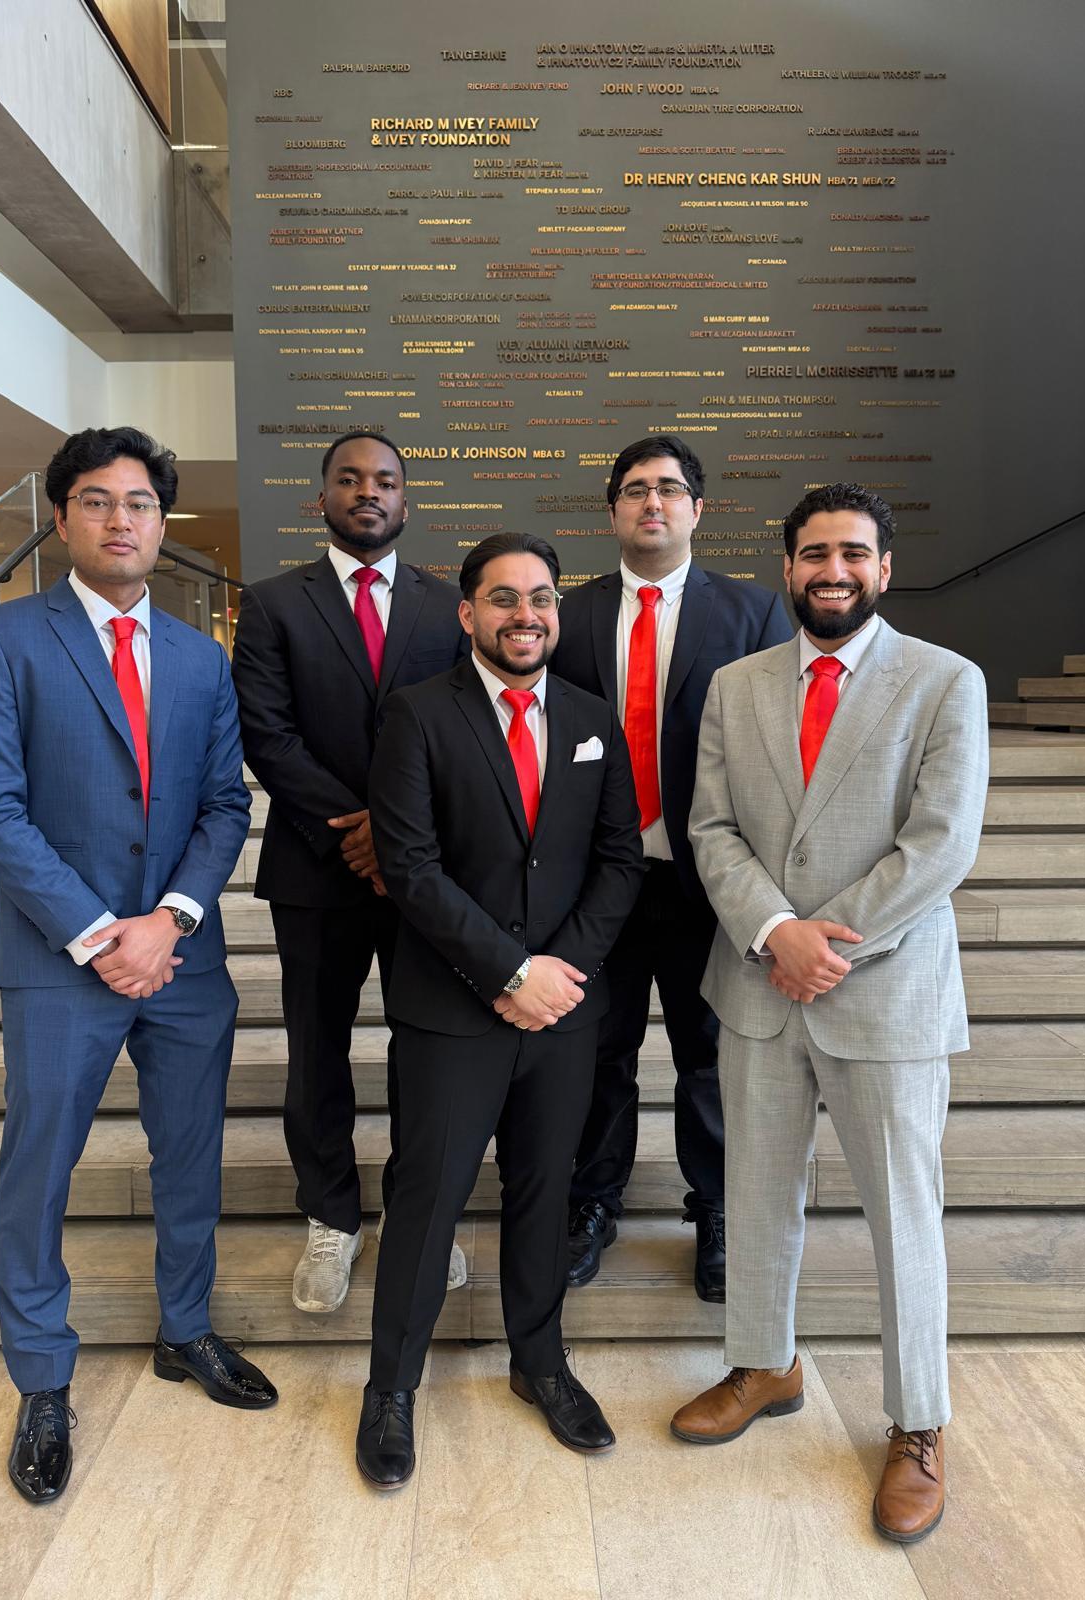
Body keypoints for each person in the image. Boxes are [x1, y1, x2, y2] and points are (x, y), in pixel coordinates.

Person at [0, 427, 274, 1506]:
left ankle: (187, 1329)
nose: (121, 519)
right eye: (97, 501)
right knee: (37, 1168)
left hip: (181, 959)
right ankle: (42, 1376)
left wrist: (170, 920)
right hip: (56, 959)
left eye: (140, 503)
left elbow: (227, 803)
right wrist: (100, 931)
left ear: (162, 524)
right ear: (62, 518)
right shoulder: (3, 643)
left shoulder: (199, 656)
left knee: (188, 1159)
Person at [671, 483, 988, 1543]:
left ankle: (918, 1424)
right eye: (813, 553)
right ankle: (765, 1363)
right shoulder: (736, 685)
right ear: (788, 566)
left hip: (885, 989)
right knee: (756, 1194)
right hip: (761, 985)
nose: (833, 570)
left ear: (884, 569)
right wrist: (775, 932)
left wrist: (826, 938)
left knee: (904, 1216)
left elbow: (941, 844)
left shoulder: (946, 682)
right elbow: (711, 828)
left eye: (853, 552)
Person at [355, 532, 644, 1489]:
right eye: (504, 598)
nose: (528, 615)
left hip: (565, 1009)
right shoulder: (416, 715)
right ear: (468, 613)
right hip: (453, 1008)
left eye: (543, 598)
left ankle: (540, 1362)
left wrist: (561, 972)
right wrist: (510, 971)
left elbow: (617, 862)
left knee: (545, 1192)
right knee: (427, 1197)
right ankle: (390, 1388)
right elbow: (411, 868)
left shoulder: (593, 718)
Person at [230, 431, 468, 1314]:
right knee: (316, 1055)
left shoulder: (450, 609)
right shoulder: (271, 604)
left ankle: (419, 1216)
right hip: (316, 872)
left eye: (386, 481)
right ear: (320, 497)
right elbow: (269, 735)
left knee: (427, 1054)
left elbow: (463, 734)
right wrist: (353, 832)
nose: (368, 492)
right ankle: (330, 1216)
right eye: (350, 479)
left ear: (407, 501)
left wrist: (398, 834)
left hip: (426, 875)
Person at [552, 435, 792, 1297]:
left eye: (670, 489)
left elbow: (776, 754)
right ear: (612, 509)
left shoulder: (756, 614)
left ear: (699, 508)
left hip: (710, 886)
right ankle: (591, 1203)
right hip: (600, 885)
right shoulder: (568, 617)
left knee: (709, 1055)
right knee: (597, 1053)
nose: (652, 503)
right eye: (634, 490)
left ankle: (718, 1211)